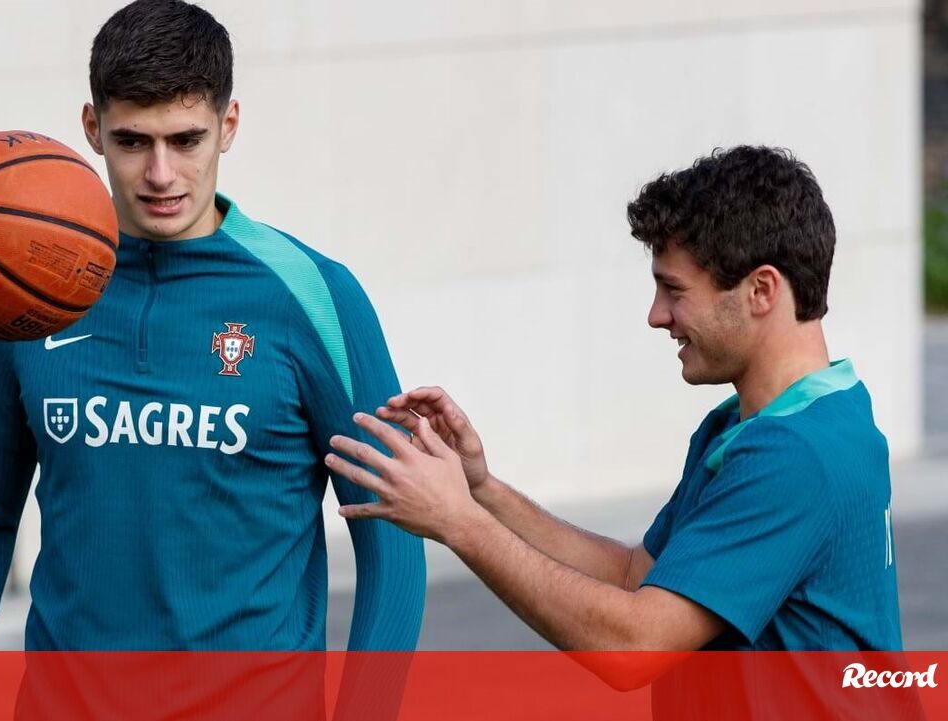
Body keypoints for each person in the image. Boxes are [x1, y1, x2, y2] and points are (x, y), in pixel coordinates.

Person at [0, 0, 423, 715]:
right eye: (132, 141)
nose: (160, 173)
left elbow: (393, 534)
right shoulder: (25, 292)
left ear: (229, 125)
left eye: (186, 140)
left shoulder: (313, 295)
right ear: (92, 128)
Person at [326, 146, 906, 697]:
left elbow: (633, 647)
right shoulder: (780, 421)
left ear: (761, 290)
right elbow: (635, 576)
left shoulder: (793, 454)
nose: (657, 316)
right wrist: (481, 490)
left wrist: (459, 523)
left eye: (674, 290)